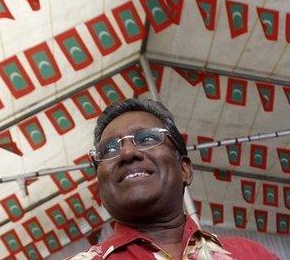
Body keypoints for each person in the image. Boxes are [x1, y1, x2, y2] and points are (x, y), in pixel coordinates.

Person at [70, 99, 278, 260]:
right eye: (109, 149)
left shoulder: (250, 254)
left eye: (147, 139)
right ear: (100, 189)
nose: (127, 153)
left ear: (184, 169)